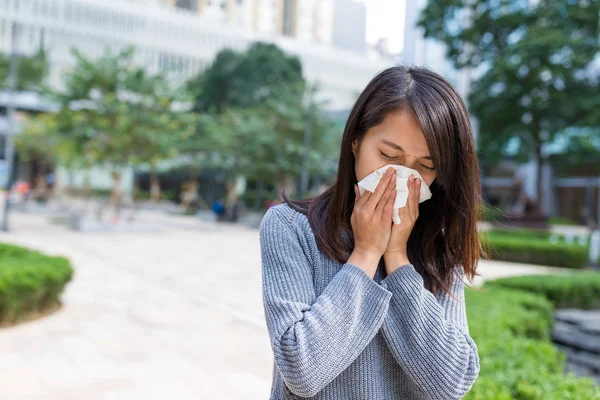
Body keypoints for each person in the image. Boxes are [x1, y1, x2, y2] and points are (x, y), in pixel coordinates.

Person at [259, 66, 481, 399]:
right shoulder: (290, 228)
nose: (403, 176)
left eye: (426, 165)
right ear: (355, 141)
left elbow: (451, 384)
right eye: (389, 155)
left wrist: (397, 258)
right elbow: (301, 371)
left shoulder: (439, 247)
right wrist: (365, 254)